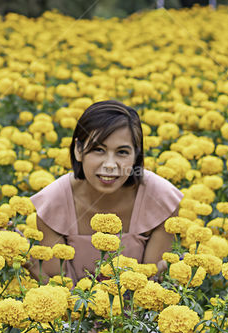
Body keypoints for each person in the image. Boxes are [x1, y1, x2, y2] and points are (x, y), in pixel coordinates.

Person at [27, 100, 183, 284]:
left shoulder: (161, 200)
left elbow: (150, 290)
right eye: (98, 150)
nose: (110, 165)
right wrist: (30, 266)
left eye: (122, 152)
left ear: (136, 155)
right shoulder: (53, 203)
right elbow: (59, 290)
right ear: (78, 150)